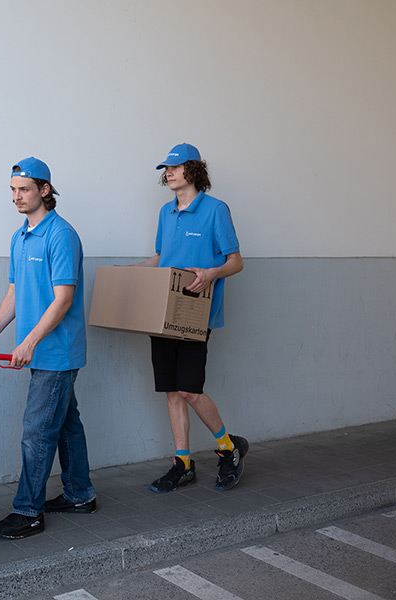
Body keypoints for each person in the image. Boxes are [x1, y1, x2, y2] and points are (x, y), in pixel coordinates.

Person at [0, 157, 96, 539]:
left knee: (37, 431)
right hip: (38, 350)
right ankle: (80, 494)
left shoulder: (61, 235)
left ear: (45, 190)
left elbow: (62, 299)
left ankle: (28, 512)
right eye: (12, 190)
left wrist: (28, 341)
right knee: (64, 425)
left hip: (55, 353)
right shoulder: (20, 236)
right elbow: (14, 294)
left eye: (24, 189)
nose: (17, 197)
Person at [131, 143, 247, 492]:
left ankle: (229, 449)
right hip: (161, 312)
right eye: (166, 169)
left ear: (193, 170)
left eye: (175, 167)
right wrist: (130, 274)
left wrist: (211, 274)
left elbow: (236, 261)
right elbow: (160, 257)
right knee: (171, 390)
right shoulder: (166, 213)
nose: (168, 173)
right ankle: (183, 463)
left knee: (190, 389)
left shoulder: (215, 210)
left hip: (196, 314)